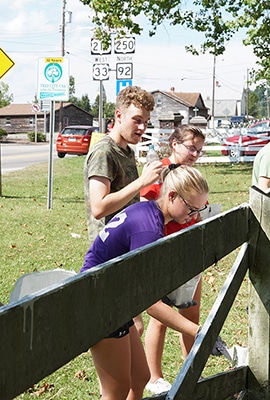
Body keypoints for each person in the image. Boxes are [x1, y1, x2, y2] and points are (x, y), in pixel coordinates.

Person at [81, 165, 209, 400]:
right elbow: (150, 303)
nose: (195, 216)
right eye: (192, 209)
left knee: (139, 377)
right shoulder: (149, 230)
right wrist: (198, 332)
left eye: (201, 210)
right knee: (116, 390)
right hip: (99, 302)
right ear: (172, 196)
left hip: (116, 301)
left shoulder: (148, 211)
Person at [84, 86, 163, 335]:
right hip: (108, 252)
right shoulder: (104, 152)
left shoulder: (127, 151)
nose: (142, 128)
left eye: (146, 122)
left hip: (126, 249)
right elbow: (98, 207)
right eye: (136, 120)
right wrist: (141, 182)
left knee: (134, 325)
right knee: (124, 327)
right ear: (118, 115)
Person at [140, 124, 206, 394]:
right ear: (174, 143)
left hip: (190, 252)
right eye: (191, 147)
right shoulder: (160, 171)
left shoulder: (191, 175)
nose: (194, 154)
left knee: (190, 311)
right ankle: (154, 377)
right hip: (166, 253)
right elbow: (150, 207)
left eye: (199, 150)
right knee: (161, 317)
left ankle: (191, 368)